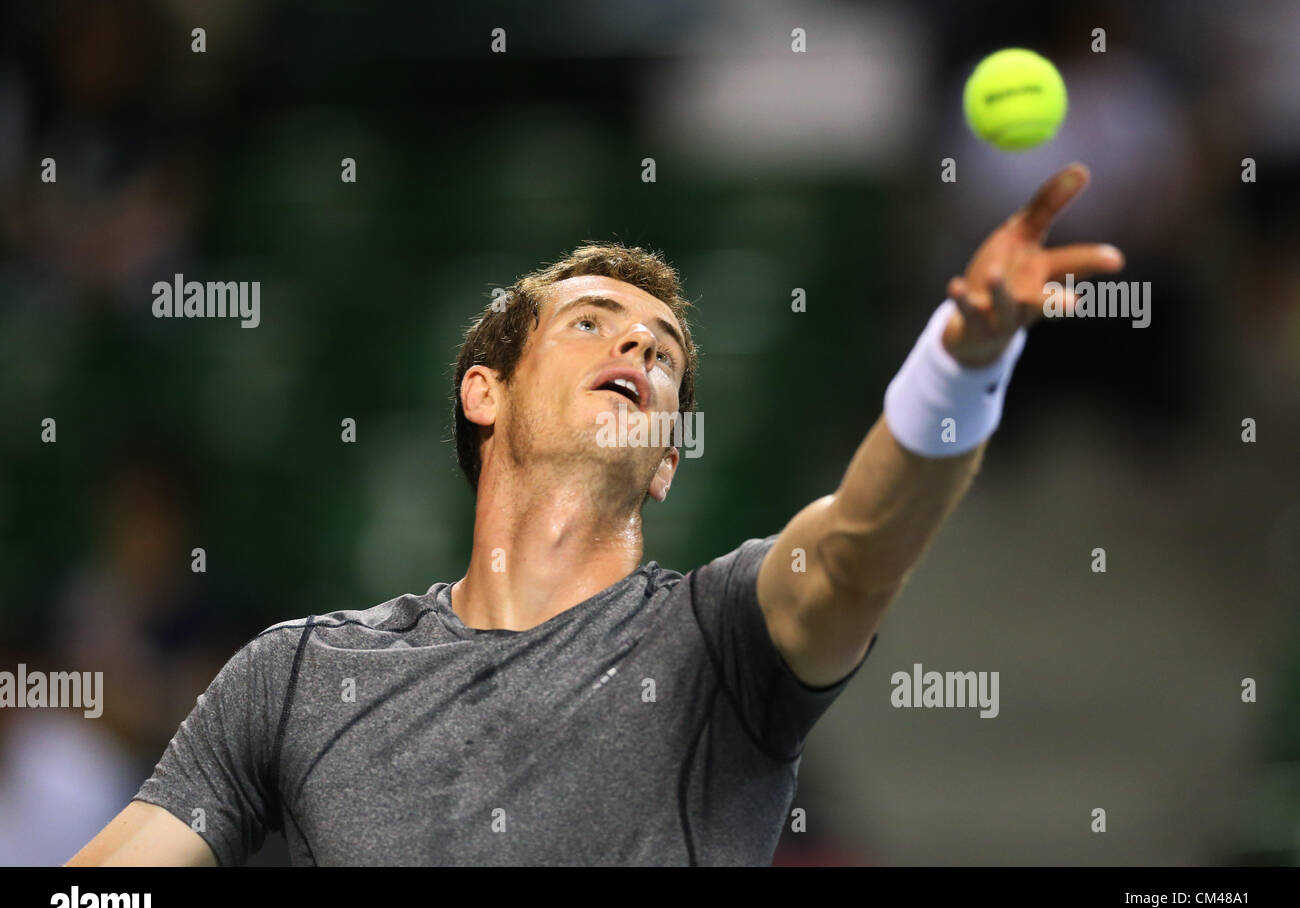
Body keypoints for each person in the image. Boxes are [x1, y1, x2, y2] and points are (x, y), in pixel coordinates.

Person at [67, 163, 1123, 866]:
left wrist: (962, 359)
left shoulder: (719, 641)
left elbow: (857, 548)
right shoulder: (292, 675)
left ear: (666, 463)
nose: (641, 351)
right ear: (484, 392)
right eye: (591, 321)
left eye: (663, 351)